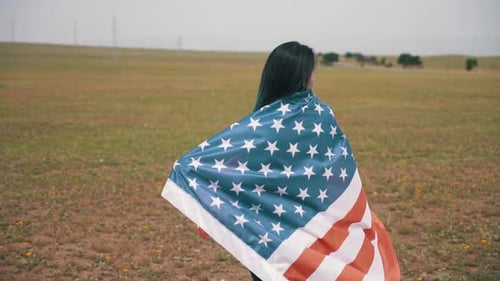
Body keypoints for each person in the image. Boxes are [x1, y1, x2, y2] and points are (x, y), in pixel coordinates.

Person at [162, 41, 400, 280]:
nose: (314, 78)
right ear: (302, 76)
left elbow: (230, 165)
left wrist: (209, 196)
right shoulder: (316, 115)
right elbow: (338, 171)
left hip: (267, 231)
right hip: (304, 227)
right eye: (311, 72)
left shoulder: (260, 125)